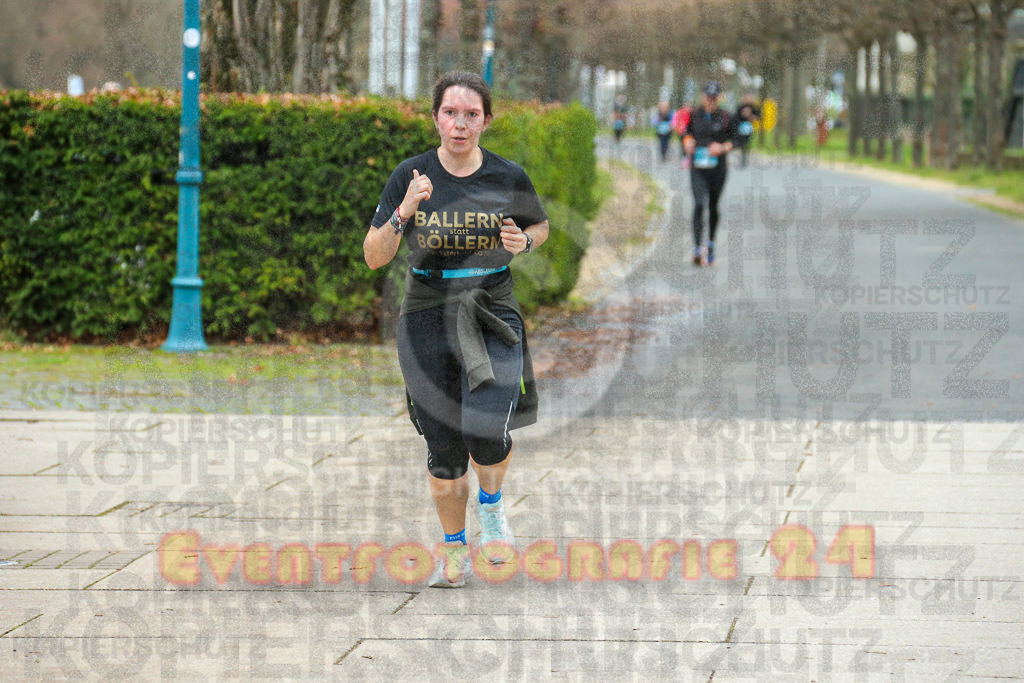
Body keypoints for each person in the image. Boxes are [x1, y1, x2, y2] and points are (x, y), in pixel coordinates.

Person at [364, 71, 549, 589]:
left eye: (471, 114)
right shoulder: (411, 174)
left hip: (491, 310)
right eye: (451, 113)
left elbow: (539, 225)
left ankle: (490, 507)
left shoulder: (507, 176)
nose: (460, 124)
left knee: (486, 430)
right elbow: (374, 257)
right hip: (426, 313)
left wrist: (524, 243)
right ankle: (453, 550)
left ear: (486, 120)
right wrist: (404, 211)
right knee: (444, 447)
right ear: (436, 118)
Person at [683, 81, 736, 266]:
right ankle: (697, 248)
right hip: (697, 168)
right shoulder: (693, 115)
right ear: (702, 96)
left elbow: (736, 139)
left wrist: (722, 147)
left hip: (718, 169)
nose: (711, 101)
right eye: (708, 97)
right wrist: (687, 142)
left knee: (713, 206)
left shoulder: (726, 117)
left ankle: (711, 244)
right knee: (698, 204)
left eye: (714, 98)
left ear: (719, 98)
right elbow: (685, 134)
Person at [735, 93, 760, 169]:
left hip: (749, 127)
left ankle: (744, 157)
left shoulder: (754, 107)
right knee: (741, 142)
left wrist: (752, 117)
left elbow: (758, 115)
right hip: (741, 126)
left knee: (746, 142)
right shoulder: (740, 106)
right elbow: (736, 116)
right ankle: (742, 156)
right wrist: (743, 115)